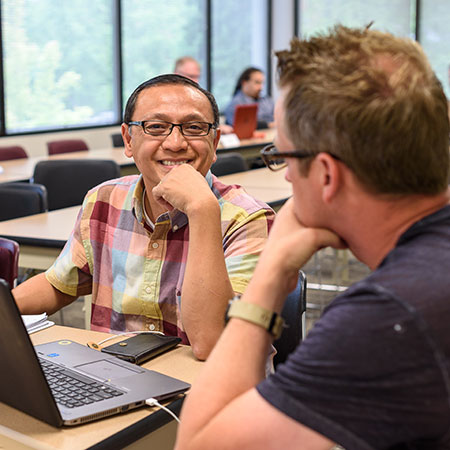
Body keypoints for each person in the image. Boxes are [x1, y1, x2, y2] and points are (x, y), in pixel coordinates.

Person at [175, 25, 450, 449]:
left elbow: (201, 443)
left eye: (283, 157)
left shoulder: (388, 318)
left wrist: (268, 279)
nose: (285, 175)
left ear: (325, 174)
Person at [14, 74, 274, 360]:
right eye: (156, 127)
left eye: (195, 128)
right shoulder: (104, 200)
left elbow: (213, 344)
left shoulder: (248, 218)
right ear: (128, 139)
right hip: (116, 378)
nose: (175, 143)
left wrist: (202, 209)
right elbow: (60, 284)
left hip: (208, 387)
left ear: (214, 141)